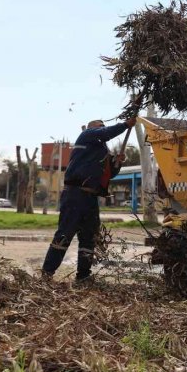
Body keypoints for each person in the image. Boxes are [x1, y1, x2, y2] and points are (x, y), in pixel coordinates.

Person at [41, 117, 136, 282]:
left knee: (89, 237)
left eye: (102, 126)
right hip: (75, 194)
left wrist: (116, 163)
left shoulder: (99, 152)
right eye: (100, 126)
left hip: (90, 197)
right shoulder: (87, 135)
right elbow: (105, 133)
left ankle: (83, 275)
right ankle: (47, 273)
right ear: (92, 128)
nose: (102, 128)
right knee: (64, 234)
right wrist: (125, 125)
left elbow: (107, 175)